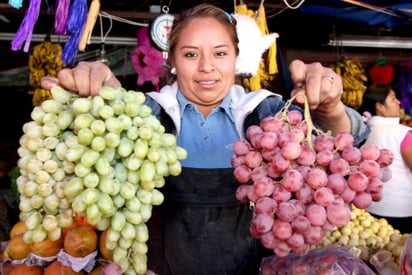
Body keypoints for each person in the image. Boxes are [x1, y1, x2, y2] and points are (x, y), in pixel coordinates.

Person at [41, 4, 370, 275]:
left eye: (220, 53)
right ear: (171, 61)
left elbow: (343, 139)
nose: (207, 68)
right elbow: (103, 151)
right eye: (190, 55)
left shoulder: (266, 115)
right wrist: (106, 101)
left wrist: (329, 104)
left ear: (236, 59)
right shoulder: (146, 116)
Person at [358, 83, 412, 234]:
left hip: (370, 213)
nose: (399, 102)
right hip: (402, 213)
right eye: (393, 98)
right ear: (380, 106)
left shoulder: (363, 133)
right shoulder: (402, 133)